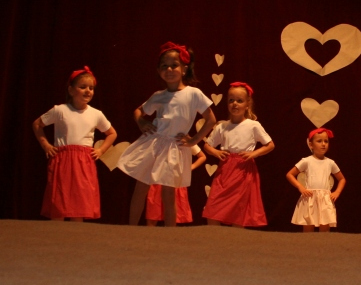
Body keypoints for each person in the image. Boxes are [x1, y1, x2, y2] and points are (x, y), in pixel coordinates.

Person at [116, 42, 216, 226]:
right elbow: (138, 111)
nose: (169, 69)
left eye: (174, 65)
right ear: (159, 70)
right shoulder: (158, 95)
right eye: (164, 66)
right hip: (154, 143)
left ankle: (170, 234)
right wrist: (141, 122)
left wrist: (194, 140)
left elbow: (211, 120)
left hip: (174, 147)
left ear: (184, 69)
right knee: (141, 187)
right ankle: (131, 229)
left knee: (169, 193)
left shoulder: (194, 94)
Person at [32, 66, 117, 221]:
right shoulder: (60, 110)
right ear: (71, 90)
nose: (88, 91)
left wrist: (100, 150)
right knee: (59, 203)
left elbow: (112, 133)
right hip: (63, 160)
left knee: (80, 205)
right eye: (83, 87)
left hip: (84, 162)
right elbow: (37, 124)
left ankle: (76, 233)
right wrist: (46, 145)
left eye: (91, 88)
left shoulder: (96, 114)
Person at [202, 81, 274, 227]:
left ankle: (236, 238)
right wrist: (216, 152)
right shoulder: (222, 126)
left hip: (243, 169)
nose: (235, 104)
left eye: (239, 101)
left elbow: (270, 145)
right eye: (231, 100)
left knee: (239, 208)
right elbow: (207, 145)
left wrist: (254, 154)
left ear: (247, 104)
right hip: (225, 170)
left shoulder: (253, 125)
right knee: (213, 206)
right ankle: (213, 237)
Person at [286, 127, 346, 232]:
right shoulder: (306, 161)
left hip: (325, 199)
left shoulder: (330, 163)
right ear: (311, 145)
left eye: (326, 141)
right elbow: (290, 174)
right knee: (308, 229)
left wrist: (337, 192)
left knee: (324, 230)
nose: (323, 144)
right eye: (319, 141)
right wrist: (300, 187)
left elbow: (342, 179)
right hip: (310, 197)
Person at [145, 146, 206, 226]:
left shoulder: (185, 141)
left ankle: (171, 232)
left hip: (175, 181)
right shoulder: (160, 140)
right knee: (153, 213)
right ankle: (149, 233)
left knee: (173, 214)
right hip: (158, 179)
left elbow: (202, 156)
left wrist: (190, 167)